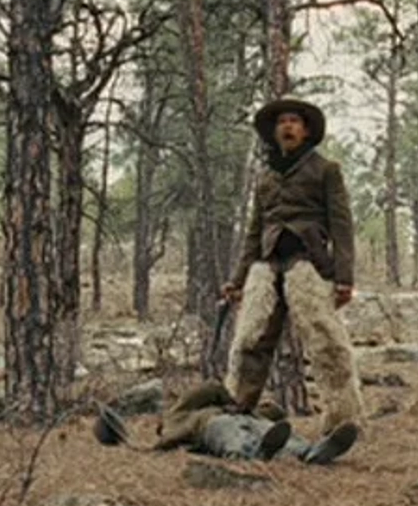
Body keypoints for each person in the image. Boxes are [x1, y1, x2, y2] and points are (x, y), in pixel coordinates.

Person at [221, 98, 365, 450]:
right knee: (249, 341)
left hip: (309, 266)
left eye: (294, 121)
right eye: (282, 122)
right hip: (267, 266)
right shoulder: (265, 178)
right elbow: (255, 232)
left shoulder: (326, 170)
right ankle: (235, 415)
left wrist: (344, 277)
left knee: (327, 341)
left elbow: (342, 227)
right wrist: (237, 280)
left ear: (306, 130)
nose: (287, 127)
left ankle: (342, 422)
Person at [93, 381, 358, 465]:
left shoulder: (187, 414)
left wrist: (242, 405)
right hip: (217, 426)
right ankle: (258, 454)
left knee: (275, 434)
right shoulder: (181, 418)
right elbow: (211, 387)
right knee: (234, 436)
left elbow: (275, 413)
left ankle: (312, 451)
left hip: (246, 420)